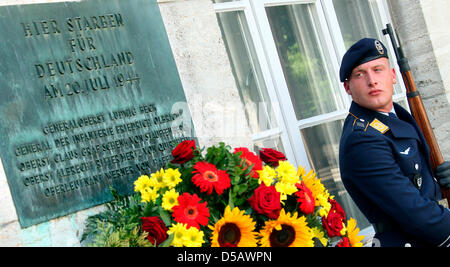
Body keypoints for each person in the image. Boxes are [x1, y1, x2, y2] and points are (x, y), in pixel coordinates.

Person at [338, 38, 450, 247]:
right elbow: (413, 210)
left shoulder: (395, 116)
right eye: (360, 74)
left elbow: (418, 181)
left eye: (378, 69)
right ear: (348, 88)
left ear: (393, 76)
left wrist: (438, 184)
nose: (372, 80)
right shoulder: (361, 140)